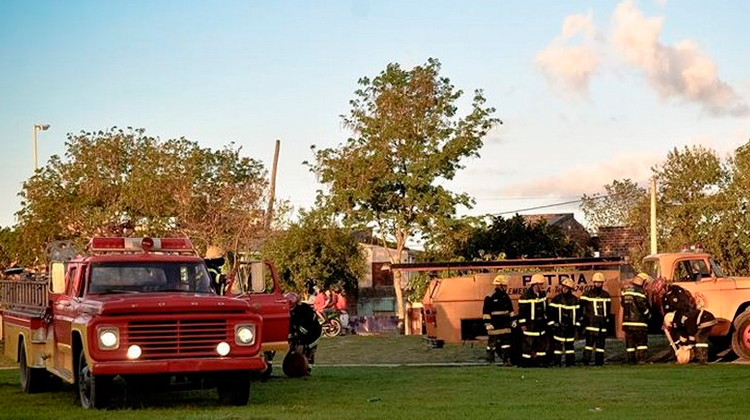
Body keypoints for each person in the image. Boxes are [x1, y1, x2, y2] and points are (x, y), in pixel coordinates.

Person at [482, 274, 515, 365]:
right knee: (491, 344)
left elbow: (510, 310)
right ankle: (490, 360)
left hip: (505, 324)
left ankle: (506, 360)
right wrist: (487, 324)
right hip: (494, 325)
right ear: (499, 285)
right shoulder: (490, 297)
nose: (506, 287)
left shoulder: (505, 296)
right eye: (504, 285)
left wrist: (513, 320)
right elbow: (486, 312)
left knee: (506, 344)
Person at [580, 272, 611, 366]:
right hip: (591, 324)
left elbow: (608, 310)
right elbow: (580, 307)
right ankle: (586, 361)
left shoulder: (606, 295)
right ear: (593, 282)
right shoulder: (587, 294)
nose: (598, 284)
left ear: (602, 283)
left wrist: (607, 321)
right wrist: (583, 319)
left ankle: (599, 362)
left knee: (600, 346)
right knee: (589, 345)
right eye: (597, 282)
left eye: (600, 282)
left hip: (602, 325)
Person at [548, 278, 580, 367]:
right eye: (563, 287)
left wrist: (576, 326)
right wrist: (553, 325)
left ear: (570, 289)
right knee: (557, 347)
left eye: (567, 287)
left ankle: (570, 363)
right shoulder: (556, 299)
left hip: (570, 327)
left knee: (569, 346)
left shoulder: (575, 300)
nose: (564, 289)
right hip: (559, 327)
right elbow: (550, 313)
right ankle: (557, 362)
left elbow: (579, 314)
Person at [518, 273, 548, 367]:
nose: (542, 286)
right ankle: (526, 363)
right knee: (528, 345)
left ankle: (541, 362)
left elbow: (545, 308)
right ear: (535, 284)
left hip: (540, 325)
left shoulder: (542, 295)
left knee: (541, 345)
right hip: (530, 326)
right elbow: (521, 312)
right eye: (541, 284)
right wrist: (523, 325)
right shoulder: (525, 296)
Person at [622, 272, 651, 364]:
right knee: (641, 343)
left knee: (630, 344)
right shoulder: (640, 292)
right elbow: (642, 306)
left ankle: (630, 360)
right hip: (639, 322)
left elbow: (623, 304)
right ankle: (641, 359)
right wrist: (648, 315)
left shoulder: (626, 291)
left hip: (627, 323)